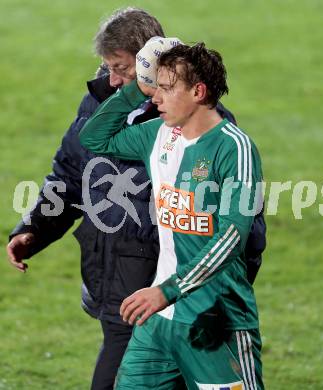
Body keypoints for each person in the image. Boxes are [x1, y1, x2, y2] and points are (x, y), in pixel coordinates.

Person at [5, 8, 252, 390]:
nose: (112, 79)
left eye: (121, 68)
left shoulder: (207, 127)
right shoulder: (107, 104)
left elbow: (240, 232)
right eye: (107, 68)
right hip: (122, 289)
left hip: (186, 300)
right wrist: (36, 227)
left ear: (148, 63)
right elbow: (75, 167)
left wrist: (216, 298)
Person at [80, 40, 264, 389]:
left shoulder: (234, 147)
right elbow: (94, 137)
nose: (155, 98)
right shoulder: (158, 135)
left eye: (166, 88)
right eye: (155, 87)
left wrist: (168, 289)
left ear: (198, 91)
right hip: (159, 322)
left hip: (215, 322)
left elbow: (231, 239)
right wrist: (136, 88)